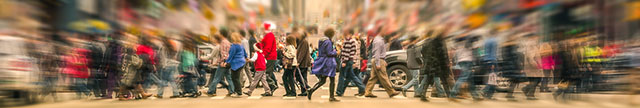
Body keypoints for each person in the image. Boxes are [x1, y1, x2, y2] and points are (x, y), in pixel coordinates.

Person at [363, 32, 401, 98]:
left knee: (373, 78)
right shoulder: (379, 41)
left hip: (378, 60)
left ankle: (367, 91)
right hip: (378, 60)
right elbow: (377, 53)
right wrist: (378, 63)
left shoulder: (378, 40)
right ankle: (391, 91)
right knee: (384, 77)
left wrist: (383, 61)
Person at [307, 28, 340, 102]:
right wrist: (336, 52)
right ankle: (331, 97)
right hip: (329, 62)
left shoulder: (321, 41)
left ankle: (311, 90)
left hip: (323, 61)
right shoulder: (328, 41)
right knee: (332, 79)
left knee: (322, 80)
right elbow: (329, 53)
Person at [449, 35, 482, 101]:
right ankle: (452, 95)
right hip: (467, 61)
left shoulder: (458, 42)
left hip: (461, 61)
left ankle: (475, 96)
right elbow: (476, 48)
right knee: (463, 78)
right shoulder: (468, 40)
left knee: (470, 80)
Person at [336, 30, 366, 97]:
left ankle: (339, 91)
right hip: (350, 61)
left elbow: (347, 52)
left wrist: (344, 61)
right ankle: (362, 88)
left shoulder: (349, 41)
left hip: (347, 61)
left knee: (342, 76)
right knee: (352, 76)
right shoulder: (352, 41)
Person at [227, 33, 248, 97]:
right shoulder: (240, 45)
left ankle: (239, 92)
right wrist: (246, 57)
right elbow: (245, 53)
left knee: (235, 78)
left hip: (236, 63)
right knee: (236, 77)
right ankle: (237, 91)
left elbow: (231, 55)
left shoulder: (234, 46)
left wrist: (227, 62)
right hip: (242, 62)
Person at [261, 24, 279, 93]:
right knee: (269, 72)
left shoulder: (269, 36)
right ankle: (273, 85)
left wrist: (263, 55)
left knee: (266, 73)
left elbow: (268, 48)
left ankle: (272, 86)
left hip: (270, 57)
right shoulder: (269, 35)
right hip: (271, 56)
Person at [295, 28, 312, 96]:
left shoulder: (304, 42)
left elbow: (302, 53)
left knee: (300, 76)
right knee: (302, 76)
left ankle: (306, 88)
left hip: (303, 63)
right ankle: (305, 89)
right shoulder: (302, 41)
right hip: (303, 62)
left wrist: (298, 61)